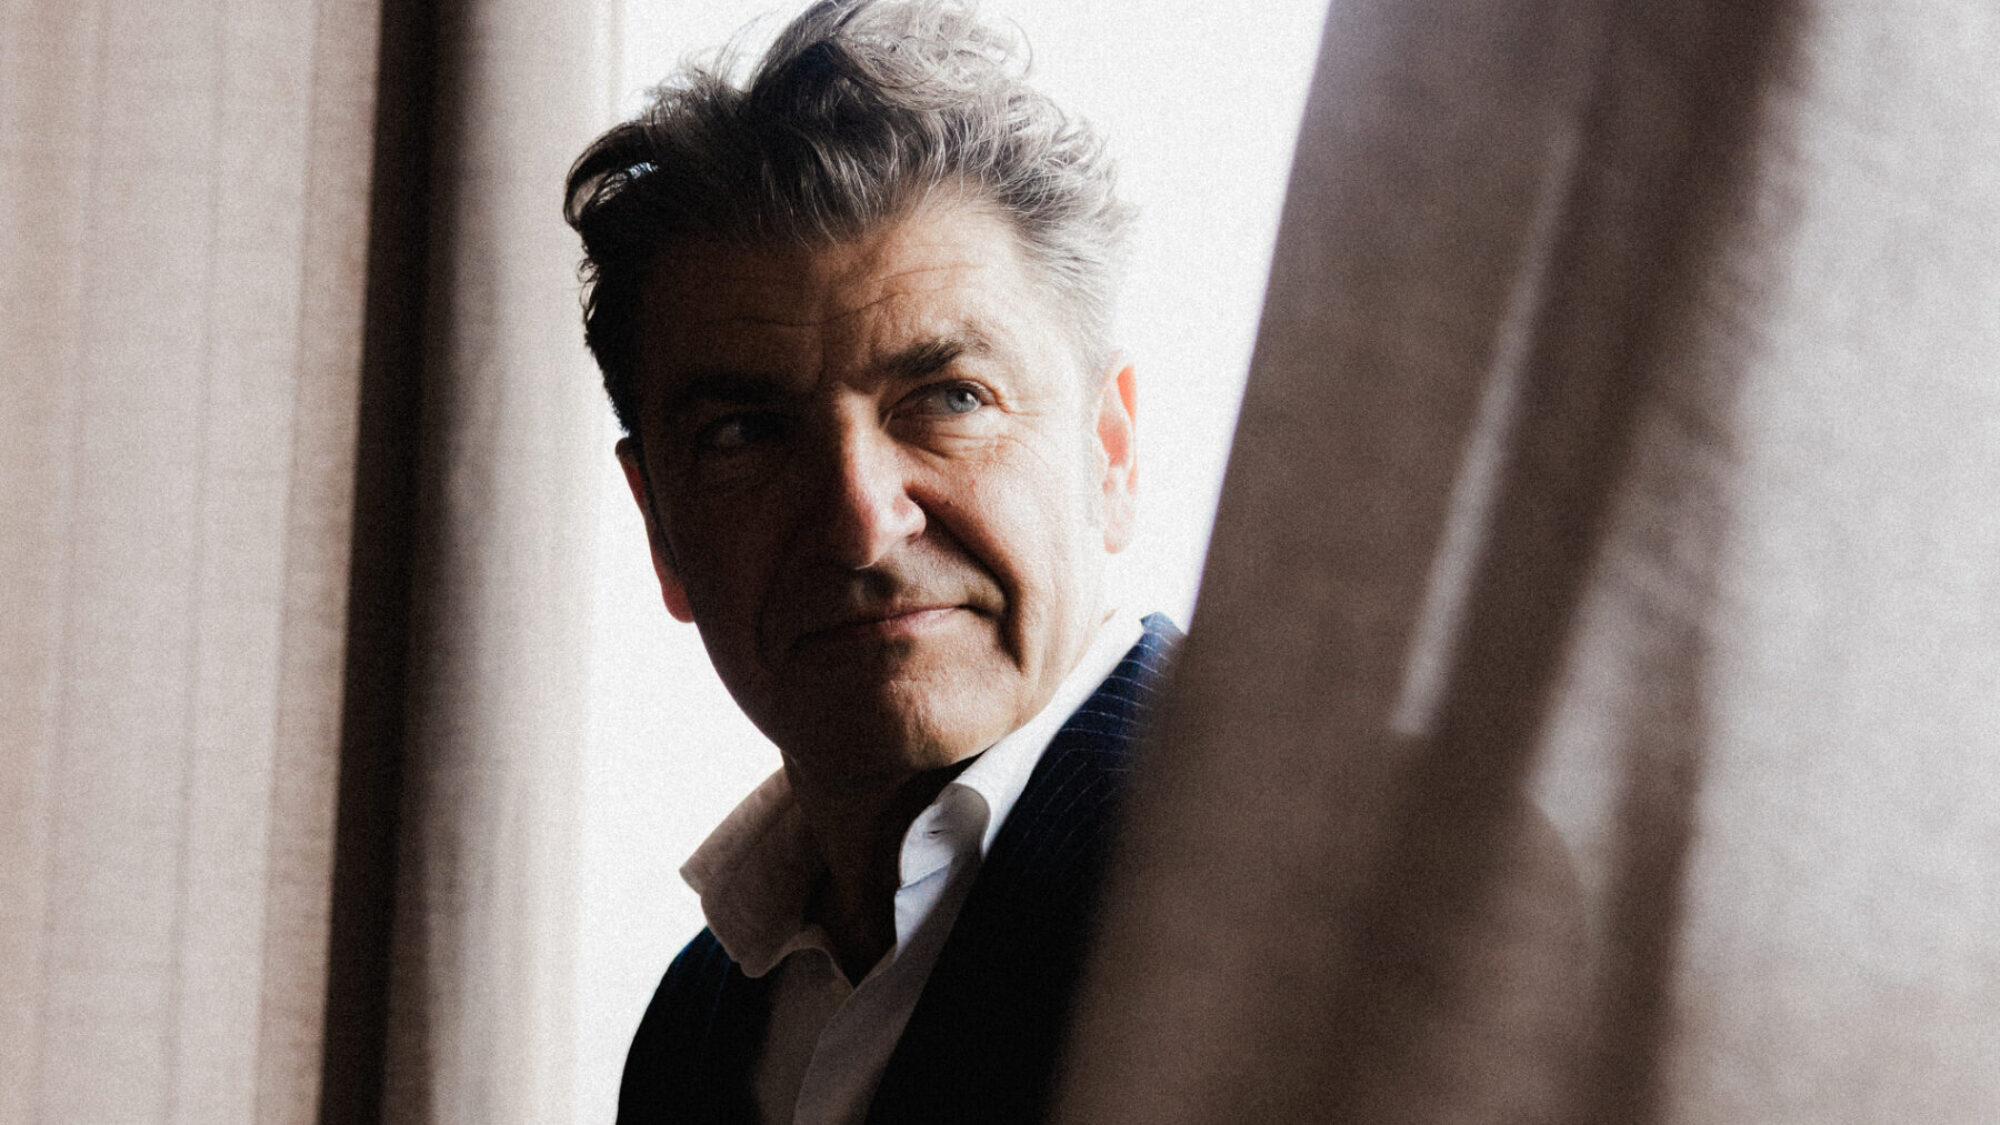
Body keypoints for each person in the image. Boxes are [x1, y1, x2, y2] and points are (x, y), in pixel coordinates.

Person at [563, 1, 1174, 1120]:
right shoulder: (690, 1029)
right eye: (745, 434)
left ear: (1111, 451)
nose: (858, 524)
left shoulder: (1302, 892)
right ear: (660, 528)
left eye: (949, 399)